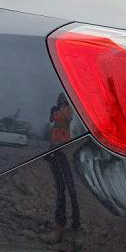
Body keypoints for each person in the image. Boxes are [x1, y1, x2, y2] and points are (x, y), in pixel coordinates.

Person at [46, 93, 80, 242]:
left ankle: (75, 225)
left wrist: (62, 109)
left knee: (71, 189)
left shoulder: (69, 109)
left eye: (63, 99)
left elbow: (67, 119)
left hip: (66, 148)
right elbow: (51, 121)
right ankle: (60, 226)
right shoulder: (56, 109)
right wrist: (53, 112)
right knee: (61, 188)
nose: (61, 101)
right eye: (60, 99)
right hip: (55, 149)